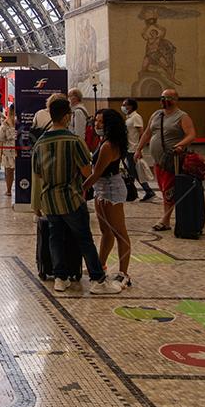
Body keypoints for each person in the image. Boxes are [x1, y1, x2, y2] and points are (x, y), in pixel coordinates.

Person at [31, 96, 111, 294]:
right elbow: (86, 171)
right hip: (72, 198)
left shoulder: (39, 144)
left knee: (55, 238)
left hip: (49, 199)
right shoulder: (74, 141)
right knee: (84, 238)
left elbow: (38, 173)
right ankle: (97, 278)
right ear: (67, 117)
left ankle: (60, 277)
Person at [133, 88, 197, 231]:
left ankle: (165, 220)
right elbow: (148, 133)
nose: (163, 100)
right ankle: (166, 218)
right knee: (164, 189)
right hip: (158, 161)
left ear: (175, 100)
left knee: (169, 189)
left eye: (167, 98)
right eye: (162, 97)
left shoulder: (182, 116)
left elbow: (191, 134)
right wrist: (139, 149)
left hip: (172, 160)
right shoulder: (157, 115)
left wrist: (180, 145)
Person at [84, 108, 132, 292]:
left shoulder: (108, 145)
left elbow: (96, 173)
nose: (96, 124)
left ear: (110, 124)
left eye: (100, 121)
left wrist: (81, 189)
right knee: (105, 231)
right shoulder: (104, 141)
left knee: (119, 232)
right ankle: (100, 265)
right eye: (96, 120)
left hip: (111, 188)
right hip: (102, 188)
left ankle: (124, 273)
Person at [121, 97, 154, 200]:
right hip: (128, 148)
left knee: (133, 172)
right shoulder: (129, 117)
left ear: (131, 106)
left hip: (134, 148)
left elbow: (141, 133)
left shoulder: (136, 117)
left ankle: (145, 191)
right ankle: (136, 191)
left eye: (125, 105)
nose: (123, 107)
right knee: (131, 172)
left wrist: (140, 149)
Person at [0, 103, 17, 196]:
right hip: (19, 148)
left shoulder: (5, 123)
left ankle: (8, 190)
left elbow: (1, 138)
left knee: (8, 171)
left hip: (8, 150)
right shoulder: (20, 121)